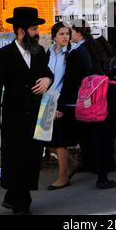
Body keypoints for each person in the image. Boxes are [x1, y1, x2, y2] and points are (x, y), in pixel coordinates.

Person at [0, 7, 53, 215]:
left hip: (36, 117)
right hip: (13, 119)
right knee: (16, 161)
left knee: (32, 160)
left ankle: (11, 197)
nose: (37, 33)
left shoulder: (39, 51)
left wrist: (47, 80)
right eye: (34, 29)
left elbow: (47, 73)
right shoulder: (3, 55)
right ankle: (21, 205)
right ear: (21, 31)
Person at [56, 20, 103, 171]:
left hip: (81, 98)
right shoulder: (89, 46)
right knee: (88, 132)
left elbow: (71, 80)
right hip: (92, 96)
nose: (68, 36)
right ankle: (91, 162)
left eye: (70, 32)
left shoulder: (77, 52)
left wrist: (62, 103)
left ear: (78, 33)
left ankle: (91, 163)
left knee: (85, 134)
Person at [46, 22, 79, 190]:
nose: (65, 37)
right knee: (45, 138)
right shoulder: (48, 52)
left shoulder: (72, 54)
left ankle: (62, 177)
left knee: (59, 141)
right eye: (61, 34)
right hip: (47, 100)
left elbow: (70, 83)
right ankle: (72, 164)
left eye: (67, 33)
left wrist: (60, 106)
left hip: (61, 102)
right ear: (54, 36)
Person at [87, 58, 116, 189]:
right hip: (106, 122)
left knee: (97, 148)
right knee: (106, 150)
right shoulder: (114, 87)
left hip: (94, 120)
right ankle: (102, 180)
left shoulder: (99, 82)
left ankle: (99, 174)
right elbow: (114, 108)